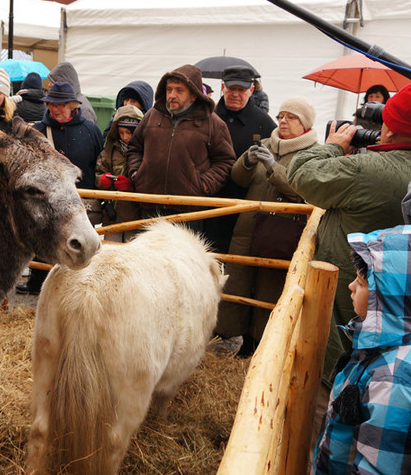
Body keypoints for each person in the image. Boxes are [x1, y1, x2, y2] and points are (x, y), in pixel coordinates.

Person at [288, 82, 411, 392]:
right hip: (397, 320)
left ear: (391, 131)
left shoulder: (370, 169)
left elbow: (300, 174)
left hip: (348, 296)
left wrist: (334, 146)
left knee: (335, 375)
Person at [215, 96, 318, 354]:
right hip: (247, 229)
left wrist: (274, 168)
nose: (283, 121)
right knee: (239, 282)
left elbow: (304, 190)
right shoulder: (265, 144)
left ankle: (263, 346)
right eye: (281, 115)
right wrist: (247, 161)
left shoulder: (313, 154)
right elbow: (238, 178)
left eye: (291, 117)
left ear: (304, 124)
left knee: (268, 289)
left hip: (279, 234)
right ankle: (240, 342)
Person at [312, 225, 411, 474]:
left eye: (361, 282)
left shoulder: (393, 379)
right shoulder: (379, 348)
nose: (351, 287)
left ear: (388, 297)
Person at [16, 81, 103, 295]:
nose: (55, 108)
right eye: (51, 103)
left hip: (83, 198)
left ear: (73, 105)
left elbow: (98, 161)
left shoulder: (90, 130)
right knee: (44, 239)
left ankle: (76, 286)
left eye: (61, 104)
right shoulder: (36, 131)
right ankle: (37, 282)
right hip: (48, 199)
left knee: (77, 242)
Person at [126, 64, 235, 233]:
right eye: (169, 89)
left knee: (181, 258)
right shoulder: (151, 116)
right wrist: (137, 174)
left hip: (188, 211)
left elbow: (225, 161)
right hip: (150, 204)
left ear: (194, 95)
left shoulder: (213, 123)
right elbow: (134, 148)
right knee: (148, 257)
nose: (172, 95)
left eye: (179, 90)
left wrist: (203, 185)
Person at [207, 65, 277, 253]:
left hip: (245, 206)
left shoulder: (265, 123)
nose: (235, 94)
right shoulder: (207, 117)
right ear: (223, 87)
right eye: (231, 89)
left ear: (252, 90)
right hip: (207, 203)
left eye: (241, 90)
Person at [95, 104, 144, 242]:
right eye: (121, 133)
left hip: (136, 218)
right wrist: (103, 181)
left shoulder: (146, 152)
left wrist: (133, 187)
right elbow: (99, 172)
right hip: (113, 216)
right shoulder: (109, 152)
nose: (125, 137)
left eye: (129, 133)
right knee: (111, 252)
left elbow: (151, 181)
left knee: (133, 255)